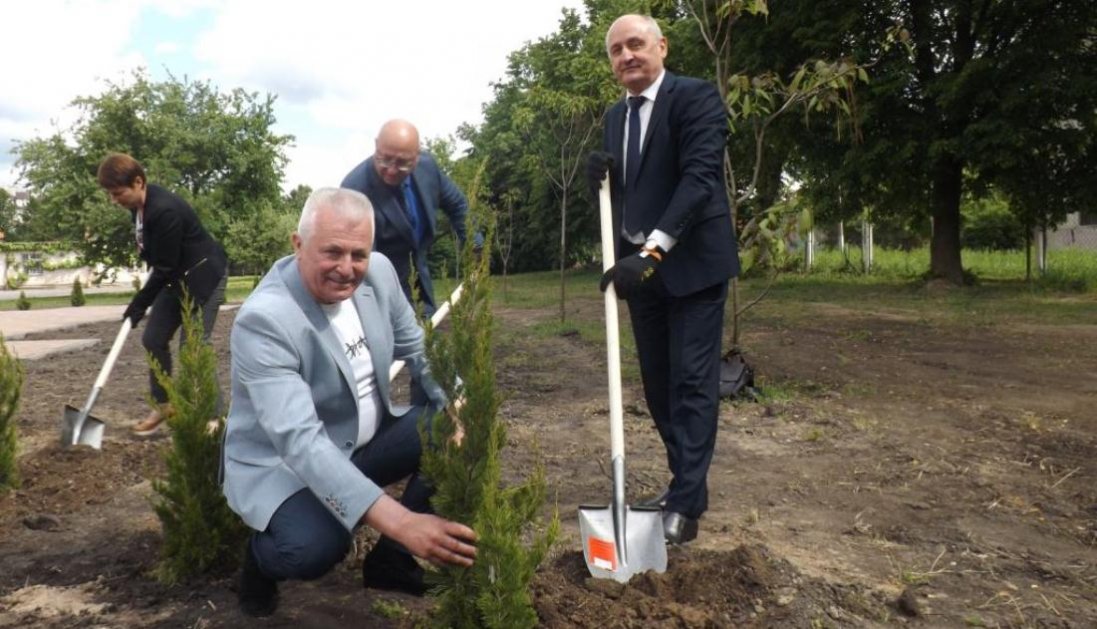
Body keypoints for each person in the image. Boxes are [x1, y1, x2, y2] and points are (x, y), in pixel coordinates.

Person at [222, 187, 477, 617]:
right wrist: (402, 520)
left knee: (449, 429)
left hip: (360, 444)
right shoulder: (266, 320)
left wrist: (459, 405)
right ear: (298, 244)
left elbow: (419, 349)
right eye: (332, 252)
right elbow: (301, 442)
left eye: (358, 254)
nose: (347, 269)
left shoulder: (378, 274)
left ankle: (390, 561)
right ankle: (260, 561)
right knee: (315, 549)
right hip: (285, 469)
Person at [586, 15, 739, 545]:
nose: (626, 56)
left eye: (635, 44)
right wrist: (599, 181)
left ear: (661, 47)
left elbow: (698, 181)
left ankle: (686, 502)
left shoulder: (695, 98)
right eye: (615, 50)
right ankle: (685, 488)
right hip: (639, 271)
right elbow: (628, 192)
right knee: (657, 386)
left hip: (691, 264)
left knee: (693, 383)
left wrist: (652, 251)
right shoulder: (614, 117)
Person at [97, 153, 228, 436]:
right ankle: (164, 405)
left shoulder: (164, 210)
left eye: (117, 193)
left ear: (138, 182)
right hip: (176, 280)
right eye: (110, 194)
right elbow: (159, 259)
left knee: (193, 348)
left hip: (205, 277)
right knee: (153, 339)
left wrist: (138, 304)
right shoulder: (139, 209)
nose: (113, 200)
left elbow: (164, 267)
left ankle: (215, 418)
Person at [340, 119, 479, 318]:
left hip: (422, 282)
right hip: (383, 292)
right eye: (384, 159)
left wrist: (476, 246)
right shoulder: (354, 189)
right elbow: (363, 262)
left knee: (429, 341)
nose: (391, 169)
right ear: (376, 145)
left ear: (416, 156)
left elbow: (458, 206)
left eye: (402, 163)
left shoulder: (428, 168)